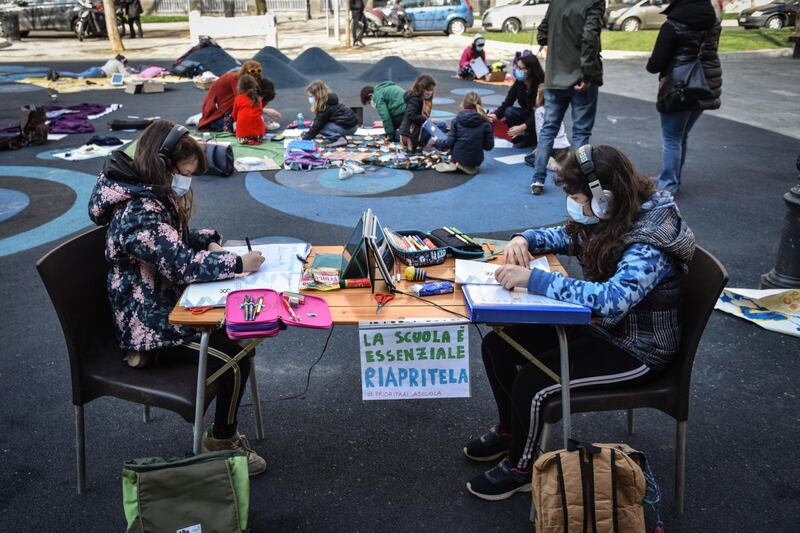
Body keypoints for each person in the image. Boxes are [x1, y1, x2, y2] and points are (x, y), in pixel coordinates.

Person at [464, 144, 696, 501]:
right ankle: (512, 431)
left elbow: (612, 300)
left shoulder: (651, 240)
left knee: (536, 382)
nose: (573, 205)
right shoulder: (614, 213)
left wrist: (533, 280)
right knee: (499, 345)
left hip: (638, 350)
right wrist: (522, 238)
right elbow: (568, 236)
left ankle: (521, 468)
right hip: (604, 331)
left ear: (604, 199)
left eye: (577, 197)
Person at [87, 120, 268, 476]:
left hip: (163, 306)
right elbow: (181, 265)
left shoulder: (145, 193)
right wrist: (236, 262)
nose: (186, 181)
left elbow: (174, 240)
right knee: (234, 354)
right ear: (163, 163)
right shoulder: (138, 212)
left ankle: (222, 434)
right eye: (184, 172)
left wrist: (207, 240)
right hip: (146, 322)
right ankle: (221, 440)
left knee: (240, 338)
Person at [646, 0, 721, 195]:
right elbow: (711, 52)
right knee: (681, 135)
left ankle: (668, 184)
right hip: (704, 85)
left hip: (678, 88)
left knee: (672, 138)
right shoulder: (713, 22)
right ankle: (673, 177)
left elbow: (655, 63)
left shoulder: (672, 25)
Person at [530, 0, 604, 196]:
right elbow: (590, 35)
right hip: (580, 76)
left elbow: (542, 34)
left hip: (555, 75)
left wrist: (558, 49)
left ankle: (537, 178)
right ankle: (574, 181)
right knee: (581, 132)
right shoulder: (593, 2)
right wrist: (587, 71)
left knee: (548, 129)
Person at [489, 53, 544, 149]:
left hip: (540, 116)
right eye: (516, 66)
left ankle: (533, 137)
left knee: (537, 115)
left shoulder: (541, 85)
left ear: (530, 70)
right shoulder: (519, 82)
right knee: (509, 111)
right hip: (528, 114)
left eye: (520, 68)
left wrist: (523, 126)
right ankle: (524, 136)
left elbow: (540, 112)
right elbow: (508, 101)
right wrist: (496, 115)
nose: (516, 70)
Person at [432, 91, 494, 175]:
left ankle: (457, 163)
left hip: (459, 157)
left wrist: (436, 141)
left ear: (463, 104)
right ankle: (469, 165)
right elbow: (489, 146)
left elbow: (448, 143)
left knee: (450, 136)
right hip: (476, 160)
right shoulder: (486, 123)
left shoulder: (457, 120)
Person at [199, 61, 263, 132]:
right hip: (217, 109)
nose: (256, 75)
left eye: (259, 70)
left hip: (227, 107)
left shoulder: (247, 79)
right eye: (252, 71)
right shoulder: (235, 79)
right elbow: (242, 101)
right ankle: (206, 119)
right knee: (229, 127)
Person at [302, 80, 359, 147]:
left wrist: (305, 139)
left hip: (348, 128)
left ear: (317, 95)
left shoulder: (325, 106)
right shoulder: (330, 100)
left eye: (311, 96)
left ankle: (339, 139)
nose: (310, 98)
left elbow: (317, 126)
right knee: (319, 124)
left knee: (321, 127)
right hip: (353, 126)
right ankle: (340, 137)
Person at [529, 84, 571, 170]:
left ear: (541, 97)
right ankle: (565, 160)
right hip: (564, 146)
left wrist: (539, 148)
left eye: (537, 95)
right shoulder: (557, 109)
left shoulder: (539, 111)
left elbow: (540, 131)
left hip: (551, 147)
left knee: (531, 159)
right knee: (564, 160)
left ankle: (552, 164)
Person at [398, 74, 436, 152]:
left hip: (415, 132)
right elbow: (411, 115)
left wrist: (427, 120)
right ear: (421, 89)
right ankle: (427, 146)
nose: (430, 93)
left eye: (431, 90)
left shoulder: (423, 99)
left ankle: (429, 144)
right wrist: (425, 120)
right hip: (412, 135)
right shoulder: (415, 99)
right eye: (427, 90)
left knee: (439, 126)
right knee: (441, 126)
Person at [233, 74, 266, 145]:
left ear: (239, 87)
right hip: (258, 135)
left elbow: (234, 115)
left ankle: (246, 139)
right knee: (260, 120)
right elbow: (260, 113)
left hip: (242, 135)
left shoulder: (238, 99)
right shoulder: (258, 99)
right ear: (254, 85)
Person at [48, 55, 130, 80]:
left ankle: (58, 74)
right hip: (99, 73)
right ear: (123, 61)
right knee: (78, 76)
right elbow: (125, 75)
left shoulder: (111, 60)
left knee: (79, 74)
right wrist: (129, 71)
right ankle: (58, 74)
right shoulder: (120, 64)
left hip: (96, 69)